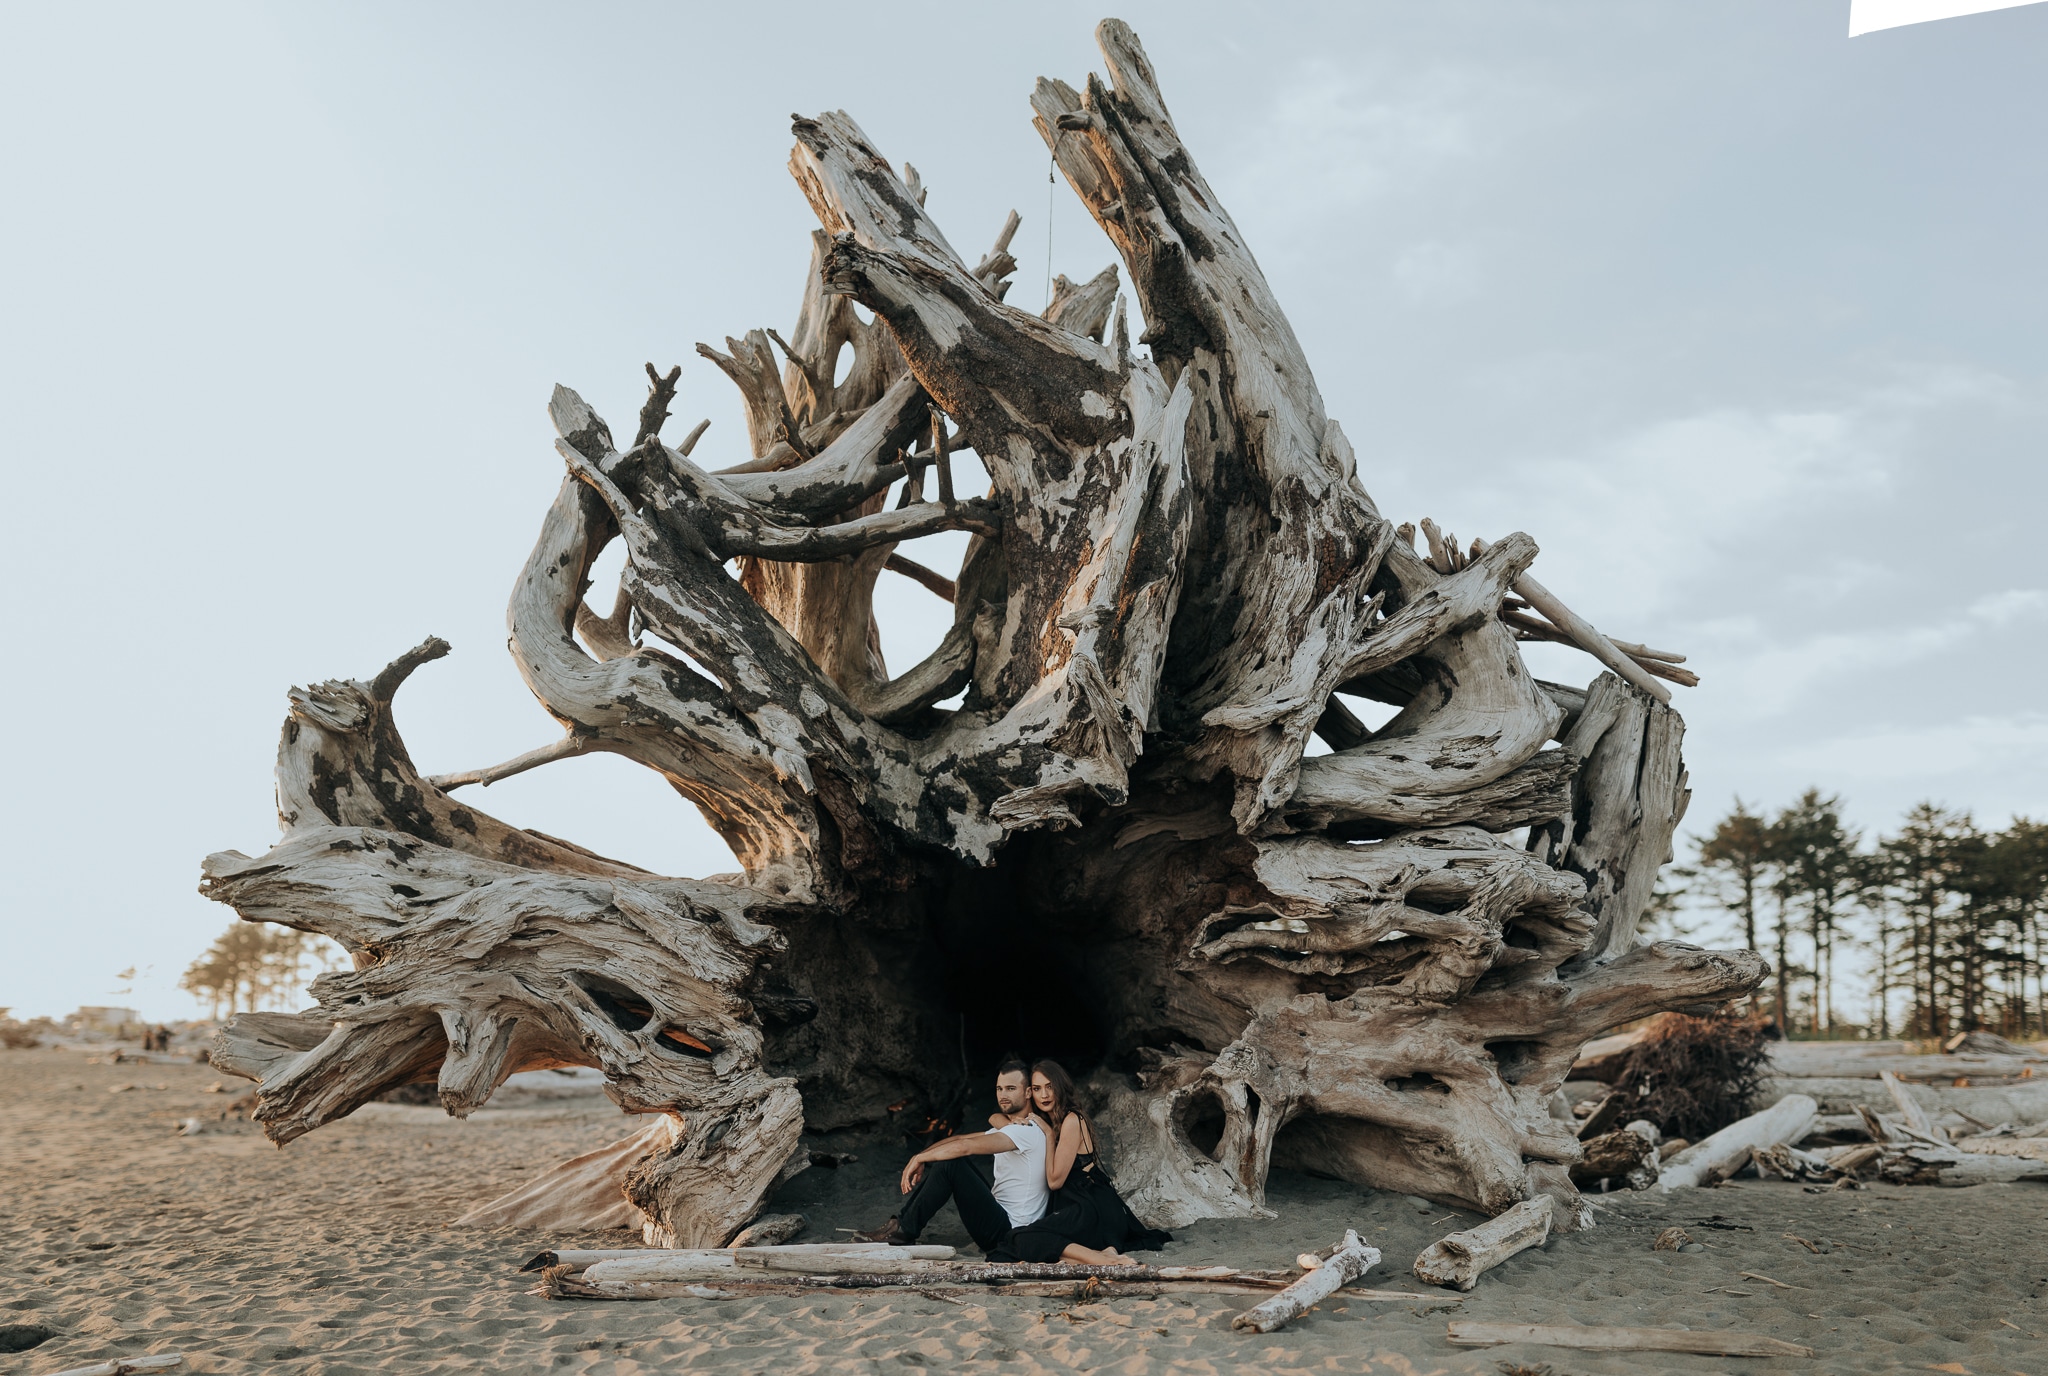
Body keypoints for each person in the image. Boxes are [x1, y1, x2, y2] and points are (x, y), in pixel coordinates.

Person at [855, 1056, 1048, 1255]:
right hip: (1002, 1222)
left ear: (1027, 1092)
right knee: (951, 1161)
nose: (1003, 1095)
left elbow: (965, 1146)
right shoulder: (1012, 1129)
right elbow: (959, 1139)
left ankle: (903, 1230)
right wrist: (923, 1154)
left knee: (952, 1165)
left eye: (1010, 1088)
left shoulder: (1026, 1131)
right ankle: (899, 1226)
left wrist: (919, 1159)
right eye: (999, 1089)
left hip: (1009, 1234)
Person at [994, 1058, 1171, 1264]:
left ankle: (1104, 1260)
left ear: (1060, 1087)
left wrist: (1050, 1136)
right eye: (1037, 1088)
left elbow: (1054, 1182)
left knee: (1023, 1238)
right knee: (1021, 1240)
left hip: (1093, 1206)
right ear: (1030, 1092)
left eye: (1049, 1087)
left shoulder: (1071, 1120)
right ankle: (1101, 1255)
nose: (1044, 1095)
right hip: (1075, 1204)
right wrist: (1008, 1120)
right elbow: (994, 1117)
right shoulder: (1047, 1119)